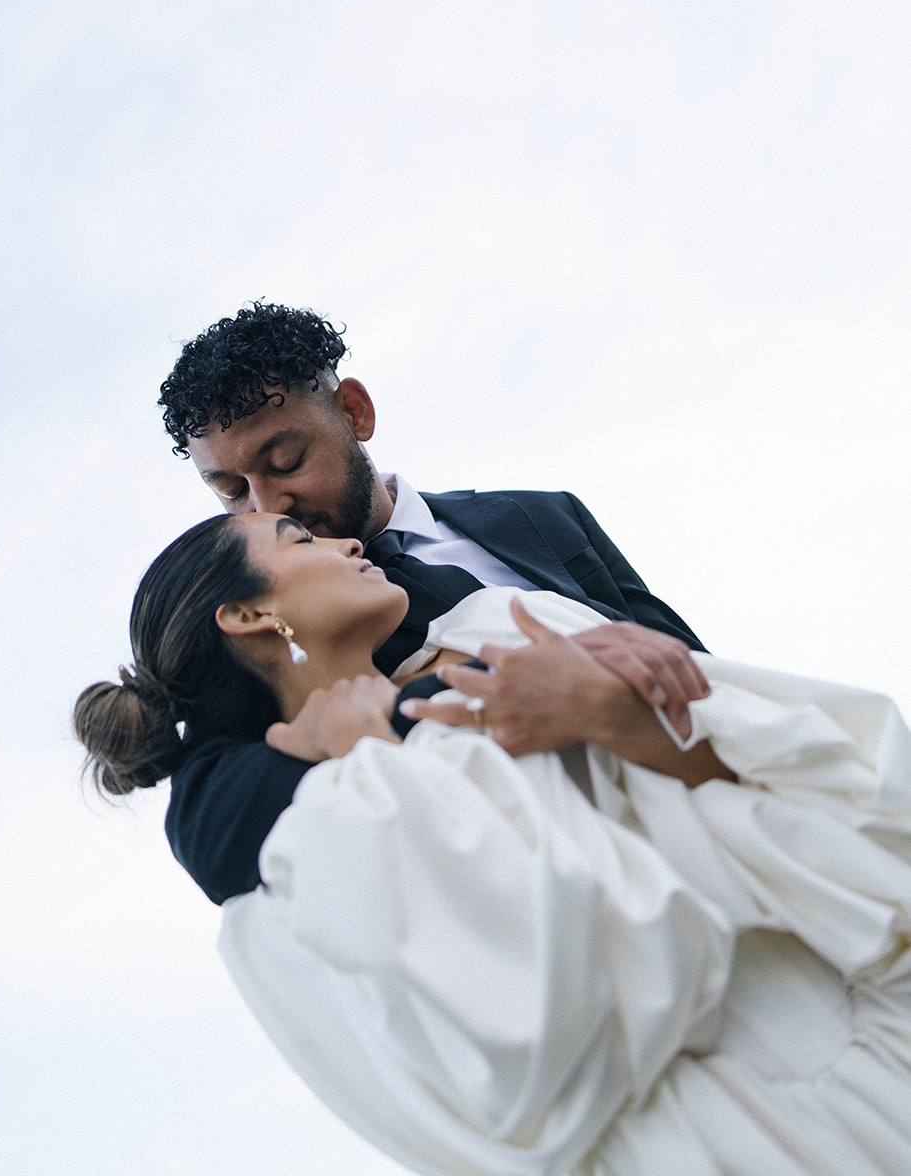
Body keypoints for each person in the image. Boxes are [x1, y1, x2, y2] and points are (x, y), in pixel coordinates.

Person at [75, 513, 911, 1176]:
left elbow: (840, 785)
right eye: (297, 540)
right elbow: (543, 1034)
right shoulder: (299, 867)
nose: (345, 539)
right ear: (252, 614)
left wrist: (631, 718)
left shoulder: (510, 651)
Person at [157, 302, 705, 904]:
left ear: (354, 413)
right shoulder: (282, 630)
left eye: (285, 462)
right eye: (232, 491)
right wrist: (434, 706)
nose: (265, 506)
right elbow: (209, 823)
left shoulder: (547, 516)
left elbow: (696, 667)